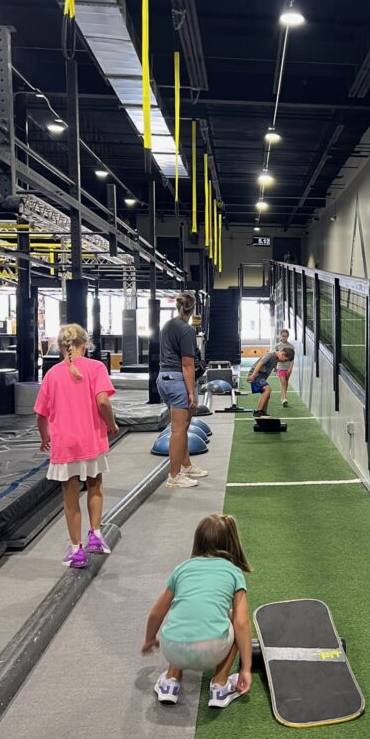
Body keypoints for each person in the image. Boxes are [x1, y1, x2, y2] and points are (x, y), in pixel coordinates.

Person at [142, 514, 252, 708]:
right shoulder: (234, 572)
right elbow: (242, 623)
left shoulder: (182, 569)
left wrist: (150, 639)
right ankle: (220, 685)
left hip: (172, 649)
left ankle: (170, 682)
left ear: (198, 541)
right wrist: (246, 669)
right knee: (233, 618)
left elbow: (156, 612)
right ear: (231, 543)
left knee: (182, 616)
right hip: (211, 650)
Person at [34, 324, 119, 569]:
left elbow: (41, 414)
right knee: (95, 484)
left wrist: (44, 437)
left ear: (61, 347)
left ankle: (76, 550)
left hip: (65, 443)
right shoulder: (96, 368)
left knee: (70, 496)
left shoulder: (52, 375)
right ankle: (95, 534)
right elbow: (103, 402)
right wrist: (111, 424)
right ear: (85, 344)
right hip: (90, 439)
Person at [157, 291, 208, 490]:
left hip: (163, 378)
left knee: (183, 426)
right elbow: (187, 365)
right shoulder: (186, 330)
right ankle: (174, 476)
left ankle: (186, 465)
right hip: (177, 380)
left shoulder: (168, 325)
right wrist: (191, 392)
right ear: (192, 308)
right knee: (178, 429)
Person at [247, 346, 294, 417]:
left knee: (267, 394)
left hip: (261, 377)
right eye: (285, 360)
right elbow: (260, 364)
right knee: (268, 389)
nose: (284, 362)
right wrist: (253, 376)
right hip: (256, 375)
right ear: (283, 354)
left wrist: (275, 368)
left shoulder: (276, 358)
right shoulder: (269, 355)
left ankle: (263, 412)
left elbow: (273, 363)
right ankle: (258, 411)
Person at [276, 329, 294, 407]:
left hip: (288, 367)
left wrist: (290, 368)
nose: (284, 337)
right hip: (280, 367)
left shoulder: (291, 346)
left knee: (285, 383)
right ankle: (284, 398)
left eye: (286, 336)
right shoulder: (277, 346)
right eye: (283, 336)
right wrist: (275, 366)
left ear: (288, 336)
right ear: (280, 336)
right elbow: (275, 356)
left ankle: (283, 397)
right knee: (283, 382)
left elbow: (292, 359)